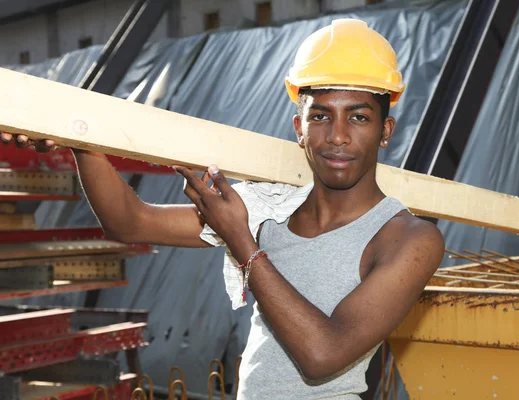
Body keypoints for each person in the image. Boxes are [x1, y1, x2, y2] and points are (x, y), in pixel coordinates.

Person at [1, 19, 444, 399]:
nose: (338, 136)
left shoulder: (408, 238)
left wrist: (242, 242)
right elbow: (129, 221)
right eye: (321, 116)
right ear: (299, 128)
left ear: (386, 130)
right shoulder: (269, 208)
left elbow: (322, 356)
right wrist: (79, 140)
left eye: (359, 117)